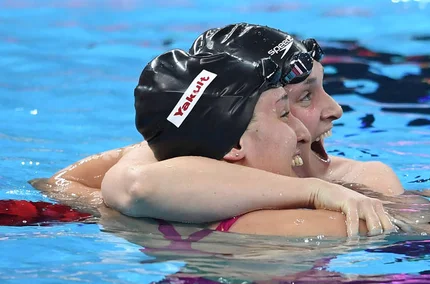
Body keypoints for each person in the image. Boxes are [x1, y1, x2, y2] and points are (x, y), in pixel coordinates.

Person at [40, 23, 406, 237]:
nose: (336, 110)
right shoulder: (175, 166)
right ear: (233, 139)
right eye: (301, 100)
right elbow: (124, 185)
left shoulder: (364, 182)